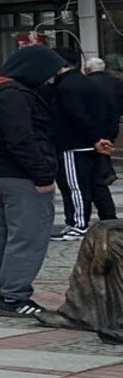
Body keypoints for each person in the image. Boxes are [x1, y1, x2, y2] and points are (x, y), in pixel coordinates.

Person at [0, 45, 67, 318]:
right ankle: (15, 297)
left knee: (2, 235)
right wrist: (43, 174)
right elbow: (21, 139)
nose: (51, 80)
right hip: (21, 176)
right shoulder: (15, 97)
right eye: (50, 74)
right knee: (27, 237)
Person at [51, 56, 120, 241]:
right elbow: (111, 110)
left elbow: (76, 115)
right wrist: (105, 136)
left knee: (75, 186)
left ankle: (78, 224)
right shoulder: (91, 84)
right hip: (92, 143)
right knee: (94, 184)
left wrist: (96, 138)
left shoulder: (67, 87)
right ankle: (100, 219)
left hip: (75, 144)